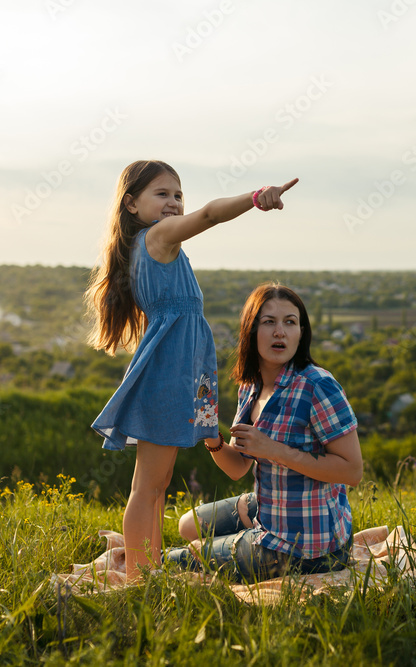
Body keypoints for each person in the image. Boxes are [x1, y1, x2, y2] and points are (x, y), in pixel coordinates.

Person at [86, 160, 297, 583]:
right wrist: (256, 198)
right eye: (161, 194)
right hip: (168, 378)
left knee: (157, 484)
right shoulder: (159, 237)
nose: (174, 203)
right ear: (131, 204)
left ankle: (150, 569)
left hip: (178, 378)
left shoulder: (148, 247)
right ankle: (141, 578)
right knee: (148, 487)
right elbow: (211, 214)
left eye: (178, 195)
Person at [167, 284, 363, 582]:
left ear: (301, 332)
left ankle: (249, 545)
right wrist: (211, 435)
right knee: (187, 525)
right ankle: (245, 536)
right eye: (269, 322)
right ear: (251, 330)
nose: (280, 332)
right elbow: (238, 467)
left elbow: (352, 471)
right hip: (272, 503)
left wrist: (274, 450)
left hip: (307, 545)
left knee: (176, 559)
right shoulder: (251, 386)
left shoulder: (317, 386)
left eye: (290, 322)